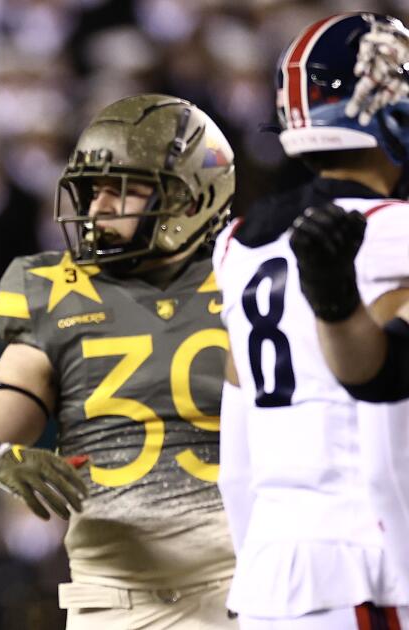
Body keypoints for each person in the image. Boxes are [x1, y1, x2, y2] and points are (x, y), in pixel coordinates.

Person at [0, 93, 238, 629]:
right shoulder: (57, 293)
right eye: (94, 191)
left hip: (248, 588)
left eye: (122, 193)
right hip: (116, 603)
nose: (97, 210)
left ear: (191, 199)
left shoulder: (250, 281)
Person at [213, 13, 409, 629]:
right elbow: (383, 440)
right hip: (370, 568)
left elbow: (237, 455)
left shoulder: (239, 245)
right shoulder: (395, 234)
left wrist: (256, 565)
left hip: (272, 573)